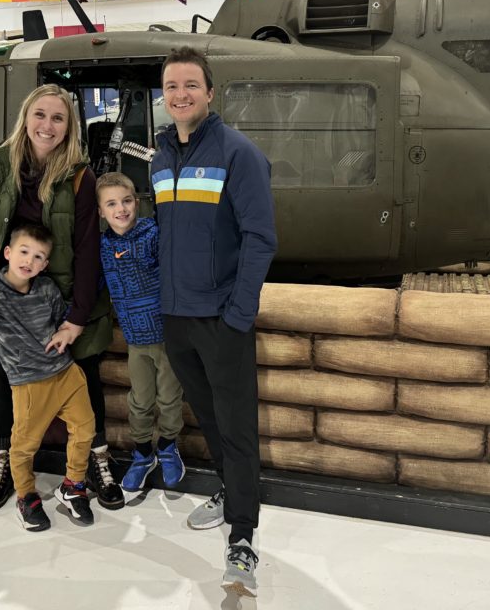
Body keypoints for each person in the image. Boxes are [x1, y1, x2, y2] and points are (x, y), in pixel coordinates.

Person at [151, 46, 277, 598]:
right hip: (176, 319)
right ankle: (229, 491)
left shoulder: (238, 154)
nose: (180, 95)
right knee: (207, 415)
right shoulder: (158, 158)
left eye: (190, 86)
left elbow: (260, 238)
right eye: (171, 87)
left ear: (209, 92)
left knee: (238, 429)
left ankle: (243, 539)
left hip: (221, 321)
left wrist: (238, 314)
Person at [0, 83, 122, 513]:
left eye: (58, 118)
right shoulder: (1, 168)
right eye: (40, 115)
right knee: (7, 377)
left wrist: (77, 316)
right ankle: (3, 459)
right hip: (11, 299)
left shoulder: (79, 177)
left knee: (83, 375)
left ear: (69, 127)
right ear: (26, 117)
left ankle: (97, 458)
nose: (47, 125)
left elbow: (87, 249)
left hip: (62, 301)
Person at [0, 224, 97, 532]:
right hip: (29, 383)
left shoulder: (47, 289)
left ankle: (73, 485)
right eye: (24, 252)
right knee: (24, 446)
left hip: (66, 373)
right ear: (8, 253)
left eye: (38, 256)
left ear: (45, 264)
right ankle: (26, 496)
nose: (29, 260)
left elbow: (60, 321)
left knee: (85, 429)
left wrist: (66, 334)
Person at [96, 172, 185, 494]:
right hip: (136, 341)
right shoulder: (102, 247)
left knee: (169, 398)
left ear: (138, 201)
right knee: (141, 400)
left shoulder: (152, 233)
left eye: (127, 200)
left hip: (166, 337)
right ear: (101, 212)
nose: (121, 209)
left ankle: (168, 447)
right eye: (112, 204)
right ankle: (143, 453)